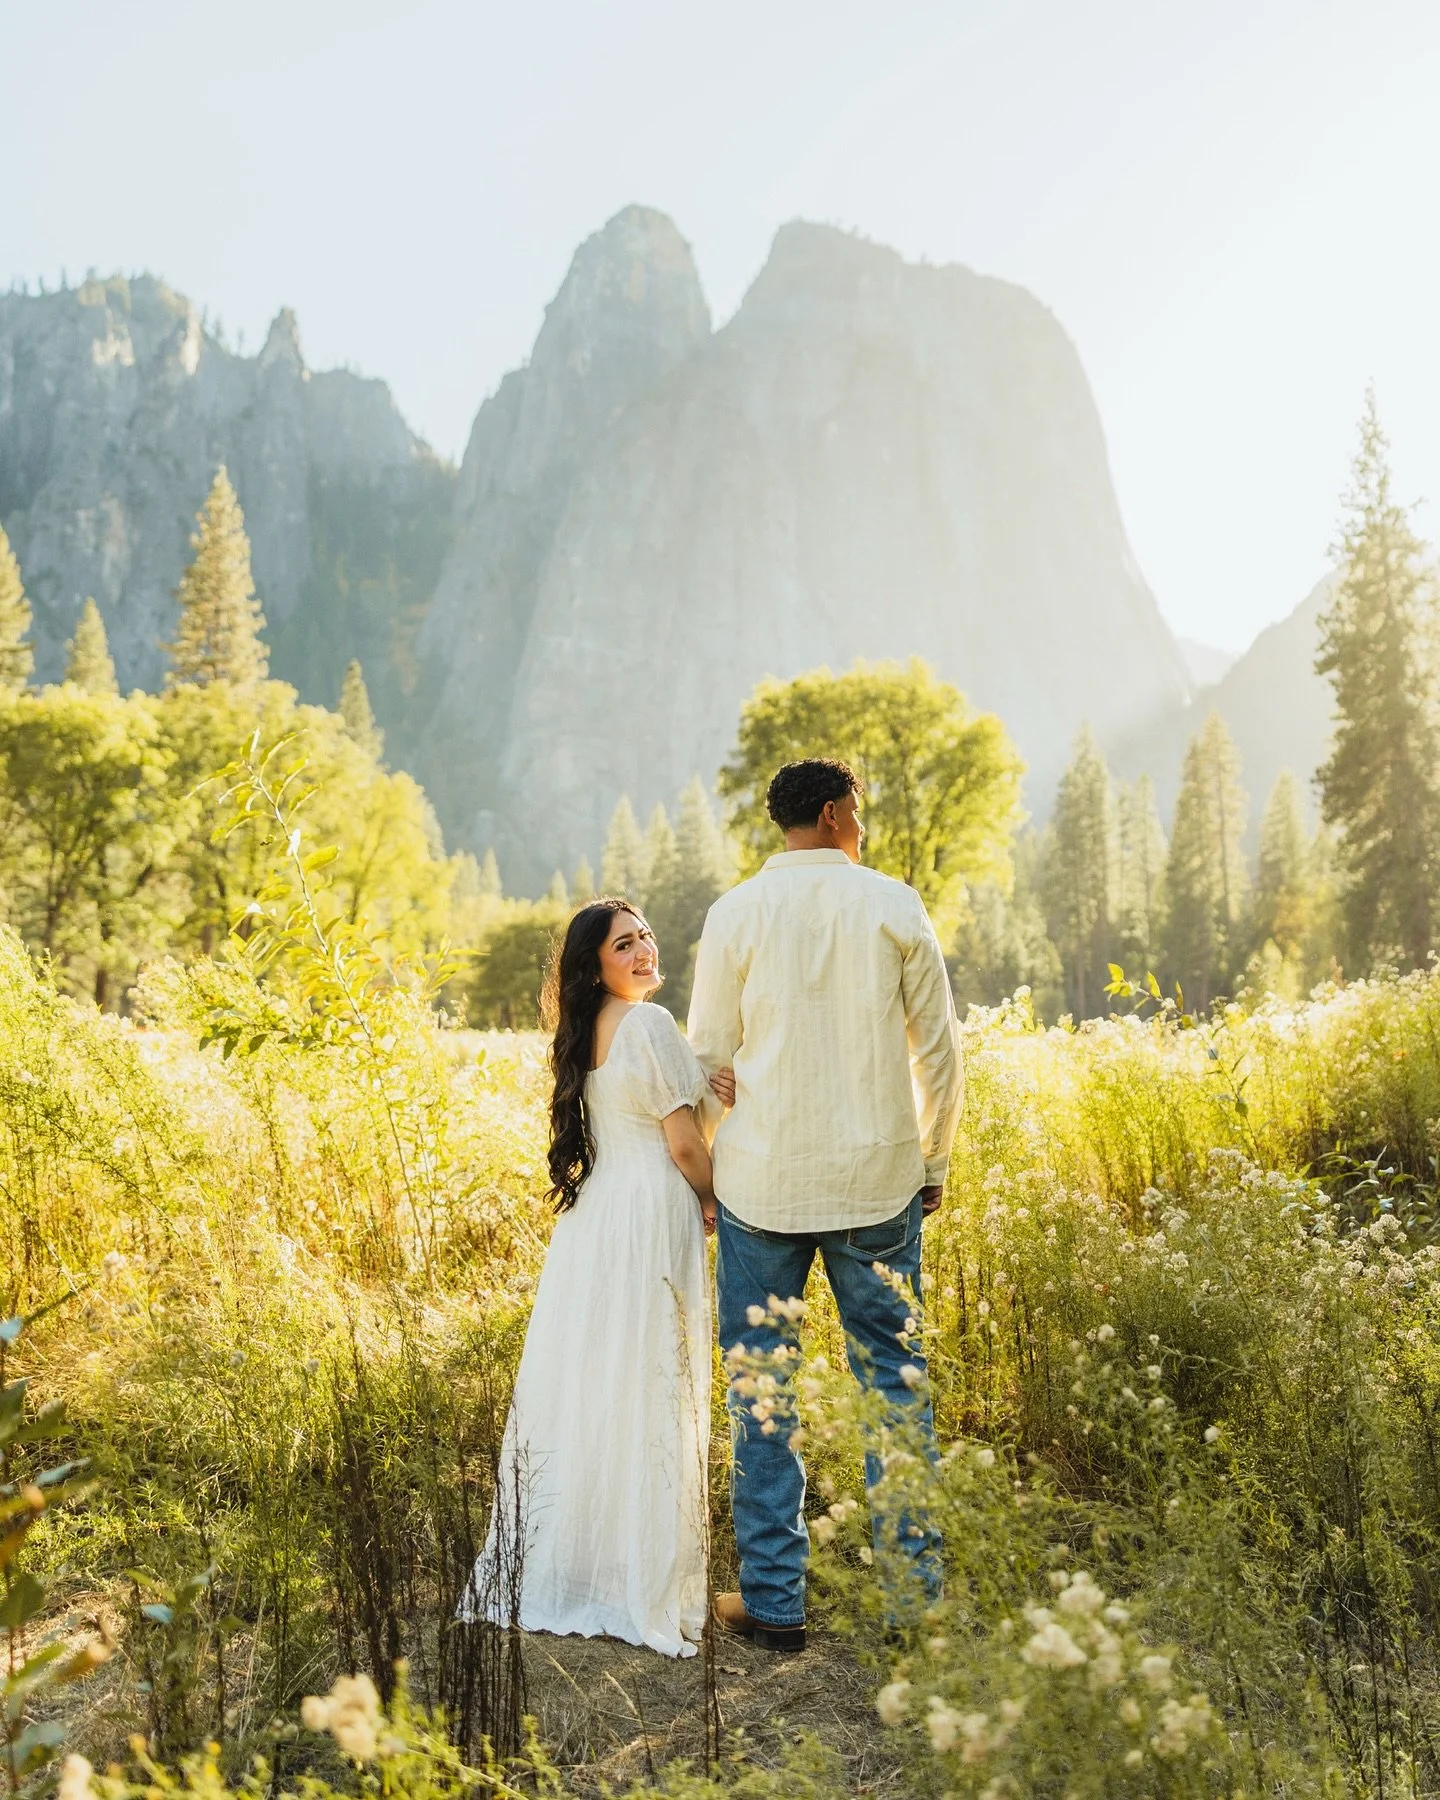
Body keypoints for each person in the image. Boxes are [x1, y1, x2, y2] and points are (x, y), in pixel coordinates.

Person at [688, 758, 964, 1653]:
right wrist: (936, 1157)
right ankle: (913, 1604)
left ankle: (774, 1606)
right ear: (837, 812)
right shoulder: (892, 904)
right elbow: (939, 1054)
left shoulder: (733, 915)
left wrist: (710, 1161)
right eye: (860, 812)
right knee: (894, 1382)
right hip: (875, 1180)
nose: (863, 826)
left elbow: (708, 1059)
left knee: (762, 1389)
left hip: (761, 1187)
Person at [458, 898, 717, 1657]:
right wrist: (712, 1201)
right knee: (654, 1381)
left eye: (645, 937)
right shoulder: (648, 1024)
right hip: (649, 1211)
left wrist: (708, 1084)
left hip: (598, 1217)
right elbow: (683, 1146)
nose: (643, 952)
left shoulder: (586, 1033)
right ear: (595, 963)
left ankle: (586, 1563)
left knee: (597, 1383)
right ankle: (634, 1576)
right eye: (624, 945)